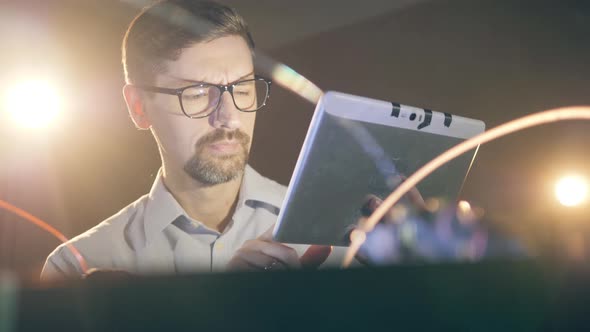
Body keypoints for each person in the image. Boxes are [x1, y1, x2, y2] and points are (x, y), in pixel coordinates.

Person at [41, 0, 338, 280]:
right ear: (138, 107)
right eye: (196, 93)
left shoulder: (326, 236)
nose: (230, 118)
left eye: (244, 89)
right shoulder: (79, 266)